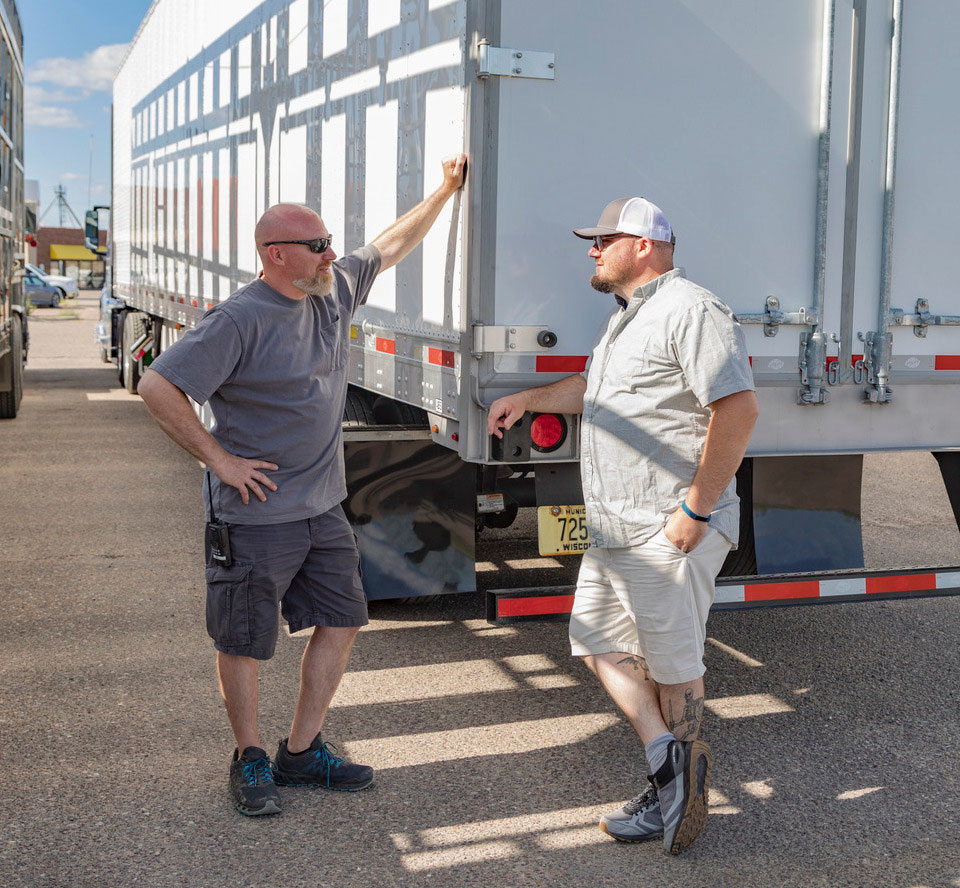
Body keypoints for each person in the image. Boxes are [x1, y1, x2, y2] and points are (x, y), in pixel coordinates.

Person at [138, 154, 467, 816]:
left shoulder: (333, 289)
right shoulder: (240, 319)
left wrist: (446, 190)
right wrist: (220, 462)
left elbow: (390, 243)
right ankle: (250, 757)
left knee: (342, 620)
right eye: (317, 245)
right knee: (244, 640)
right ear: (276, 255)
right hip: (256, 516)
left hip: (322, 510)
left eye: (329, 243)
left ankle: (302, 750)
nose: (331, 253)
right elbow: (157, 385)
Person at [487, 197, 758, 854]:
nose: (592, 249)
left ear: (644, 244)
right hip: (615, 532)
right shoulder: (628, 320)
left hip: (666, 527)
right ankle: (671, 767)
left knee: (671, 664)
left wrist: (695, 510)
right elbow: (592, 392)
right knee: (596, 642)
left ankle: (680, 786)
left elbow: (739, 408)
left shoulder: (691, 310)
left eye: (603, 238)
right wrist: (529, 399)